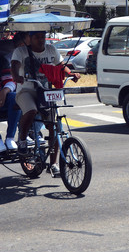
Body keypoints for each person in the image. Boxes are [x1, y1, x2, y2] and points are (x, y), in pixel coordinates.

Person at [11, 30, 80, 176]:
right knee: (31, 110)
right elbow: (15, 66)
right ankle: (22, 139)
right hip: (26, 91)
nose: (40, 40)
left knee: (54, 126)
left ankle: (53, 164)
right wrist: (16, 76)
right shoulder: (21, 51)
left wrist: (71, 73)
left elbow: (61, 66)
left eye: (42, 36)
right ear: (29, 38)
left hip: (46, 92)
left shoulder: (51, 49)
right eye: (36, 37)